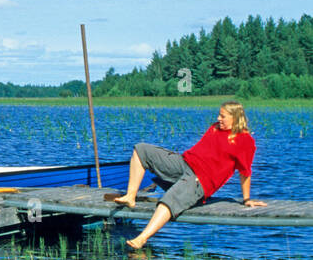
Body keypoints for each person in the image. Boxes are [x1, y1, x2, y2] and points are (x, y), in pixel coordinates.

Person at [114, 101, 266, 249]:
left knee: (169, 199)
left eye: (223, 116)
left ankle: (142, 238)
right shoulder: (215, 128)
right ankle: (130, 196)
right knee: (141, 149)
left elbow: (245, 172)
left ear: (235, 117)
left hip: (200, 179)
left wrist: (246, 199)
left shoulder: (245, 141)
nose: (218, 119)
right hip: (184, 163)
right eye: (219, 115)